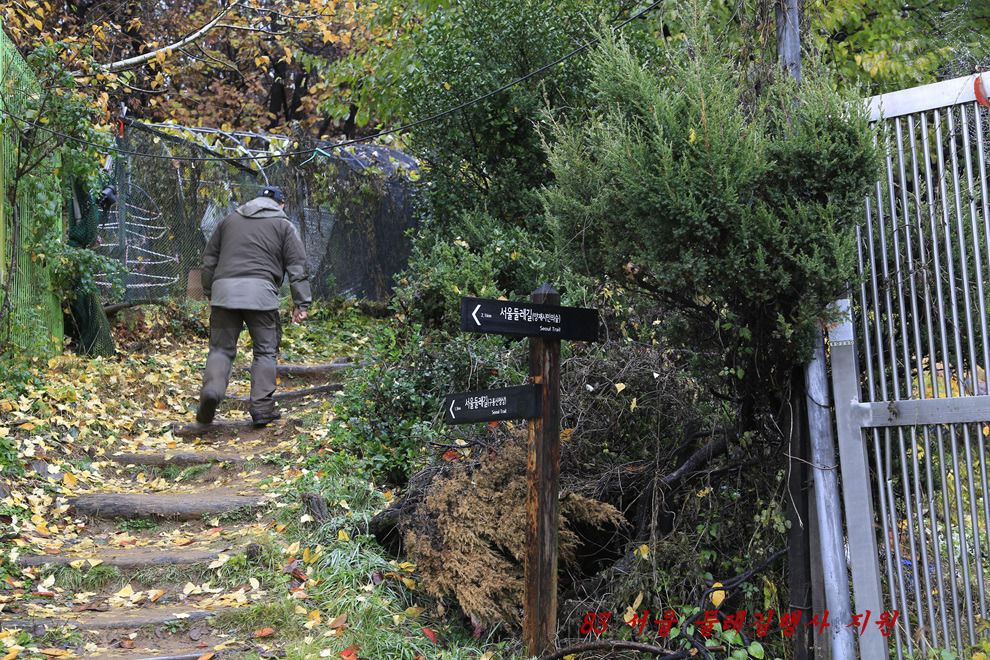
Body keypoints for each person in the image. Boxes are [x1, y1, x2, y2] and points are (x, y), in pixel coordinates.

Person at [197, 186, 311, 426]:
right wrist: (301, 303)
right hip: (261, 296)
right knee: (265, 351)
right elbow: (297, 267)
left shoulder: (229, 220)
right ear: (281, 205)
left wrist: (209, 292)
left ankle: (212, 392)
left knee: (220, 349)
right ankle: (262, 408)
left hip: (224, 293)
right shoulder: (284, 225)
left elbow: (209, 260)